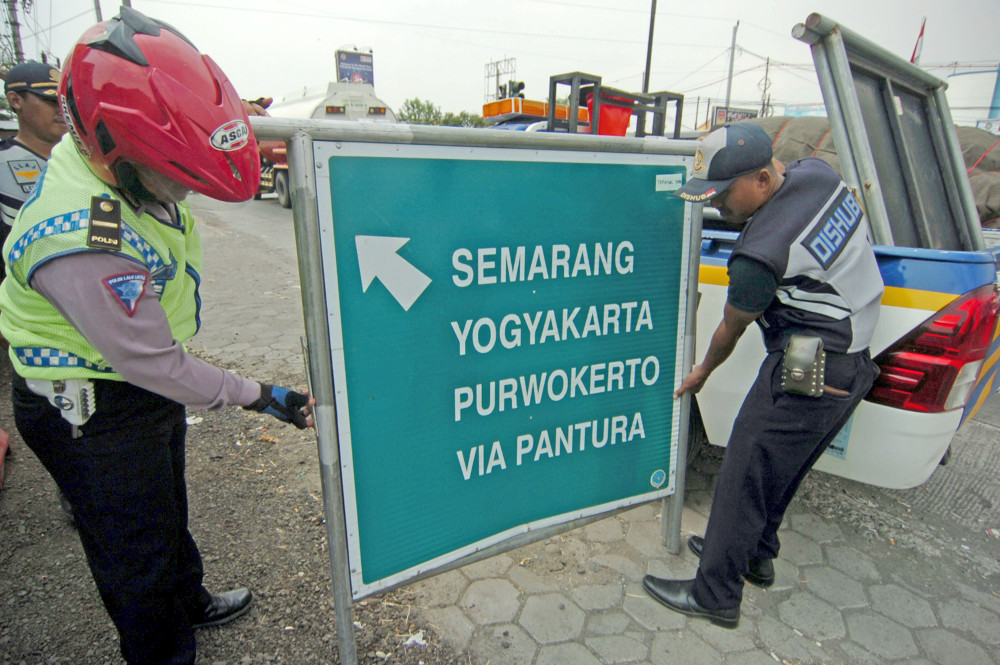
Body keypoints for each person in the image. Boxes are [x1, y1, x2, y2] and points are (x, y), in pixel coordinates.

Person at [0, 8, 313, 665]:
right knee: (132, 553)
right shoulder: (83, 237)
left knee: (165, 505)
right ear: (115, 151)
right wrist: (259, 394)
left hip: (129, 388)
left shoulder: (109, 160)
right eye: (173, 176)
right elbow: (158, 364)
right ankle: (165, 650)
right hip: (89, 407)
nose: (181, 192)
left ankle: (190, 598)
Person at [642, 123, 883, 628]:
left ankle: (715, 595)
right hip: (854, 355)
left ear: (762, 178)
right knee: (782, 466)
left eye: (725, 194)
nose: (718, 206)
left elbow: (730, 330)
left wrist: (703, 371)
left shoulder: (760, 251)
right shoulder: (817, 174)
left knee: (744, 471)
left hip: (812, 362)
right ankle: (754, 554)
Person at [0, 60, 68, 496]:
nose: (59, 109)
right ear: (16, 101)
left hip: (82, 314)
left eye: (63, 100)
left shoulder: (81, 161)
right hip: (28, 318)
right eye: (48, 100)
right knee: (47, 409)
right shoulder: (6, 163)